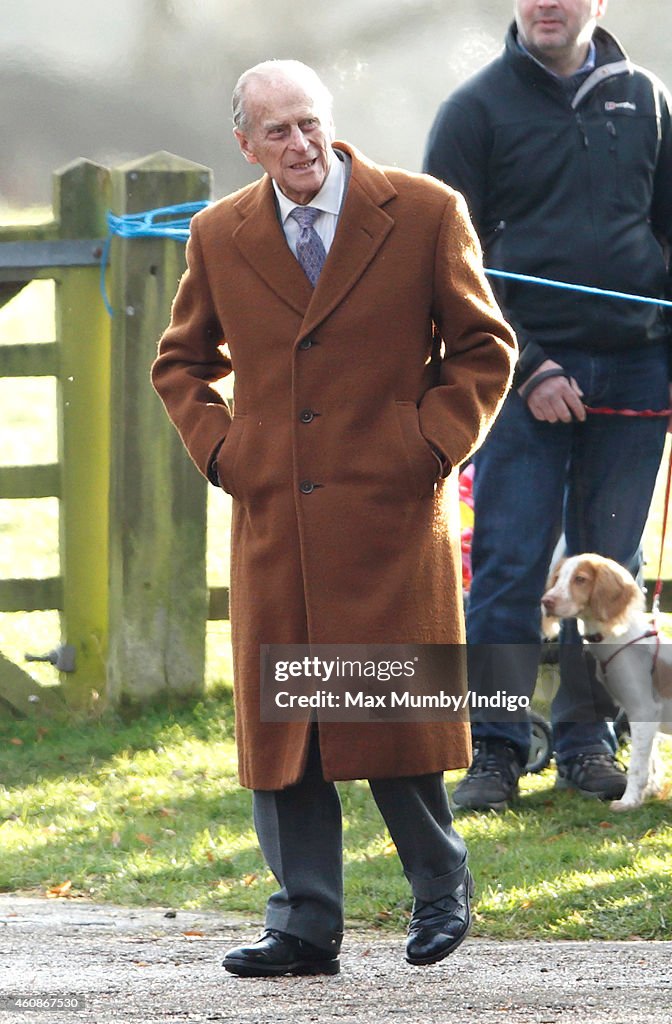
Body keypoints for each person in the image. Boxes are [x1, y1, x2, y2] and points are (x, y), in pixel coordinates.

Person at [151, 59, 516, 976]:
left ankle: (442, 884)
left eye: (310, 123)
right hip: (278, 513)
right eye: (276, 132)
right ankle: (304, 924)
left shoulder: (425, 210)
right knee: (292, 729)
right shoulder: (219, 232)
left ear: (331, 121)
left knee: (387, 705)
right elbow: (181, 363)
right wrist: (230, 455)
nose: (300, 145)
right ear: (245, 144)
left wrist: (427, 445)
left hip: (391, 509)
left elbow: (483, 348)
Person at [423, 0, 672, 811]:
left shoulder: (648, 99)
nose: (547, 3)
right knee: (509, 567)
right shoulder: (473, 110)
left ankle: (586, 743)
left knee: (611, 572)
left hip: (637, 373)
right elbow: (448, 263)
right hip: (522, 379)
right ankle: (494, 749)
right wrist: (529, 368)